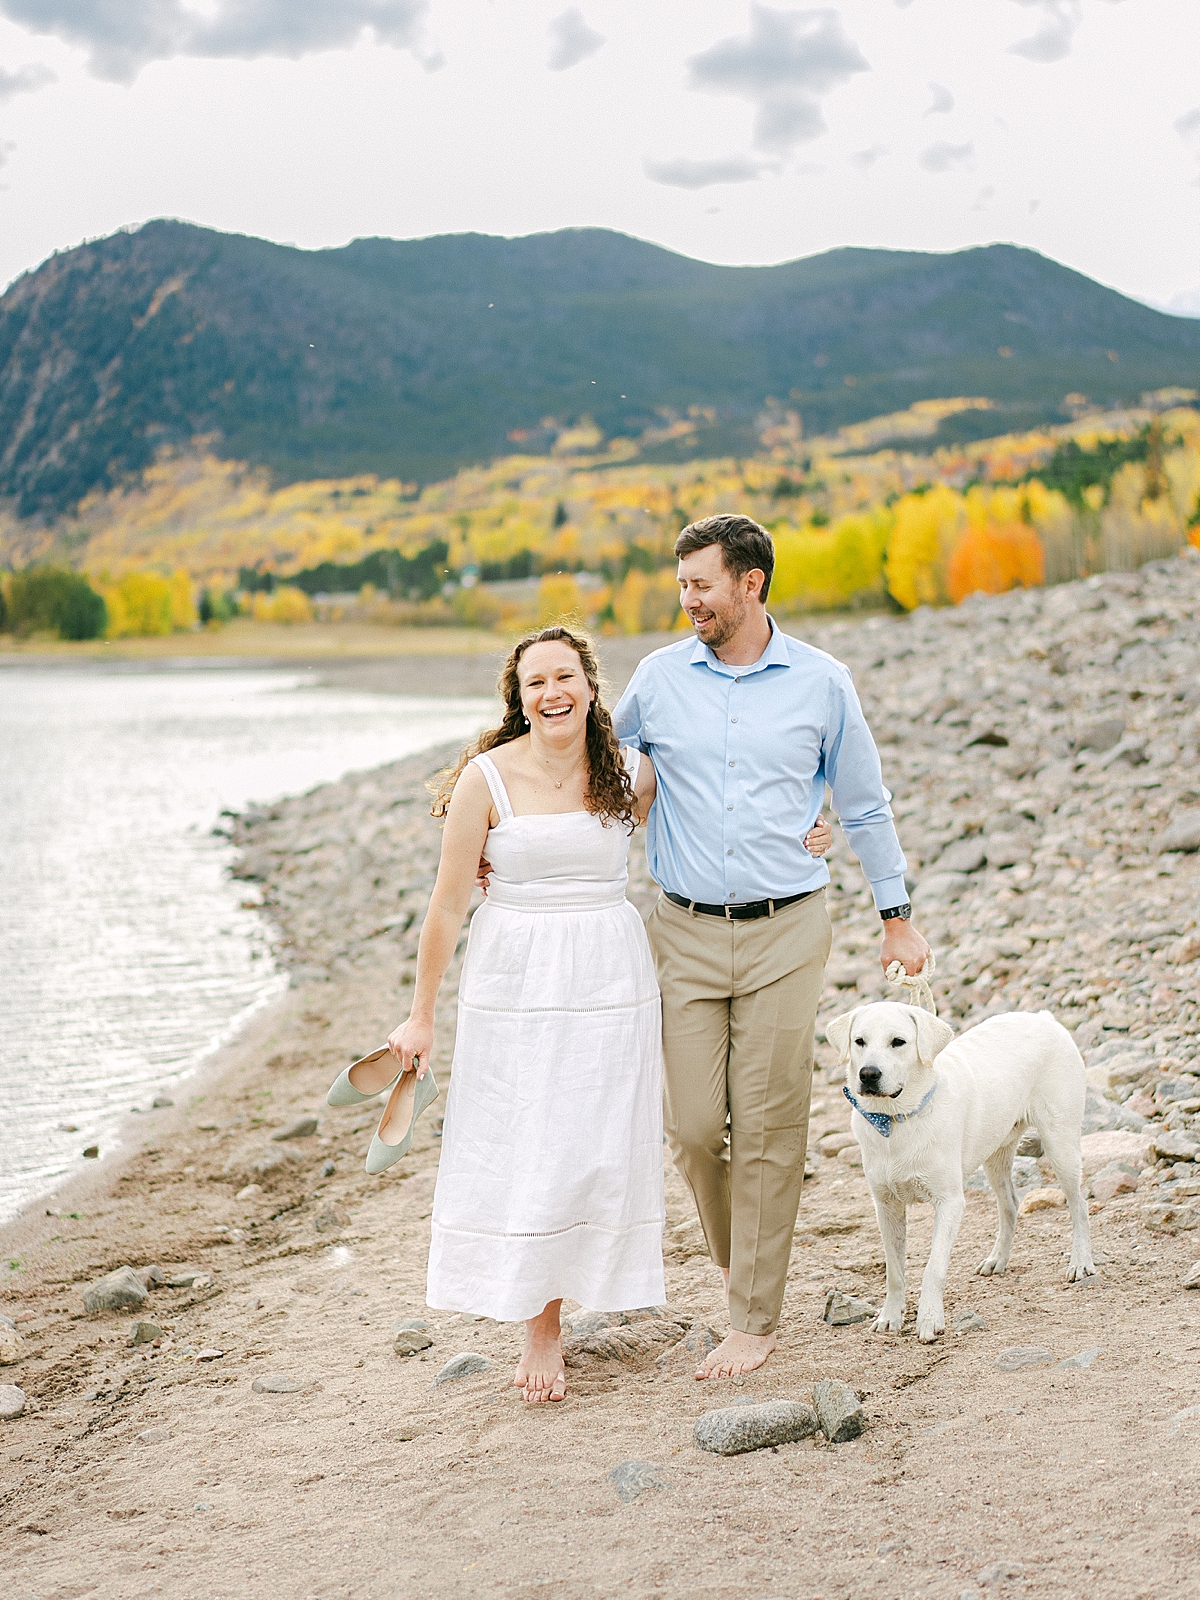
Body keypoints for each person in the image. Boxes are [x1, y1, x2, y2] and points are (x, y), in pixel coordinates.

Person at [613, 513, 929, 1381]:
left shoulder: (823, 683)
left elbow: (863, 804)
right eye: (681, 586)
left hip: (788, 927)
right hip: (680, 928)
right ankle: (737, 1256)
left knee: (765, 1125)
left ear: (751, 583)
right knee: (688, 1129)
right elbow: (606, 769)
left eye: (701, 585)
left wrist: (896, 914)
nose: (688, 602)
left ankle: (753, 1314)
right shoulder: (658, 677)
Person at [375, 625, 665, 1404]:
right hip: (515, 978)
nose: (552, 693)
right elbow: (445, 905)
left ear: (591, 686)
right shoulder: (486, 780)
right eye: (535, 683)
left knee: (596, 1138)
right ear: (519, 699)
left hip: (610, 972)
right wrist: (421, 1016)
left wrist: (809, 830)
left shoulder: (632, 774)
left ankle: (595, 1279)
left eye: (564, 677)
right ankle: (541, 1324)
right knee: (531, 1138)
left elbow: (707, 827)